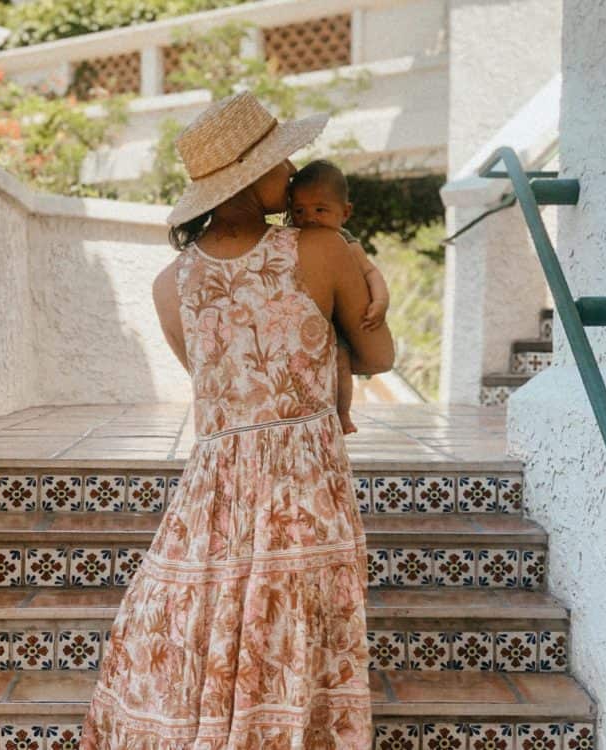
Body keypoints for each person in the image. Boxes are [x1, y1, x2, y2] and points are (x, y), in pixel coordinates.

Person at [80, 91, 394, 750]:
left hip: (216, 488)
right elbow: (379, 355)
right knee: (297, 622)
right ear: (254, 179)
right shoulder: (322, 249)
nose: (292, 173)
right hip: (304, 482)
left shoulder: (172, 282)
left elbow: (215, 387)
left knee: (217, 611)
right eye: (282, 163)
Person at [289, 160, 390, 436]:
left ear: (345, 213)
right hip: (306, 320)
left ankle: (342, 413)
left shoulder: (344, 241)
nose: (309, 217)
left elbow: (371, 272)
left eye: (320, 209)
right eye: (299, 210)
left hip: (338, 322)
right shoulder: (291, 240)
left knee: (340, 363)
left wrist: (380, 303)